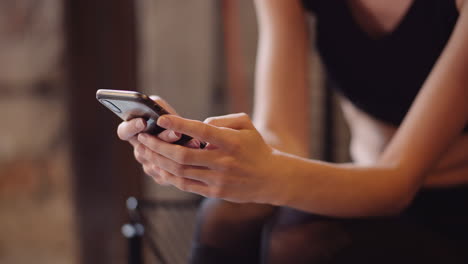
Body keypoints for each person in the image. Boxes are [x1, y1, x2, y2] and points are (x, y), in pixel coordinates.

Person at [118, 0, 468, 263]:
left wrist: (262, 174)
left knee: (302, 242)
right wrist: (214, 153)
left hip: (451, 210)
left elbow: (397, 181)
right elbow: (281, 140)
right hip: (357, 187)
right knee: (228, 211)